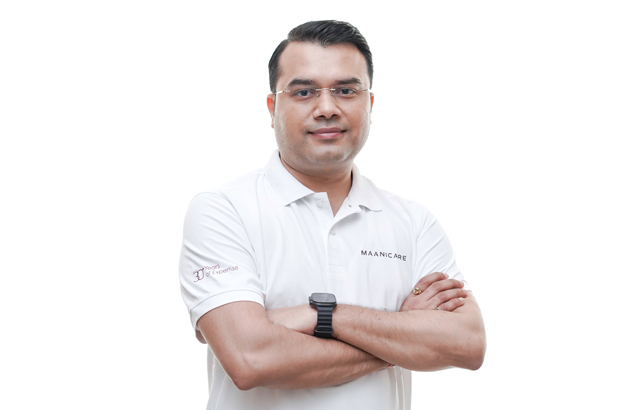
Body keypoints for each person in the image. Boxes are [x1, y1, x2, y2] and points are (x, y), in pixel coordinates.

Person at [179, 20, 486, 410]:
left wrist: (322, 316)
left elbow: (467, 344)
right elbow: (250, 359)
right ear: (273, 109)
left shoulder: (412, 222)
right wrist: (399, 339)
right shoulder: (224, 211)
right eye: (303, 92)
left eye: (346, 90)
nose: (327, 108)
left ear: (369, 105)